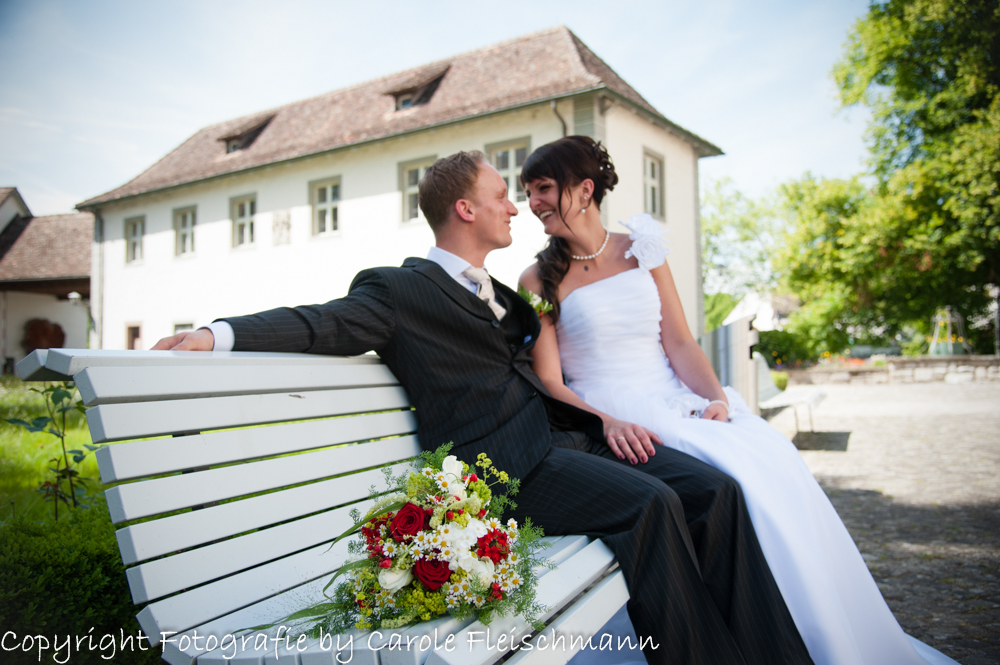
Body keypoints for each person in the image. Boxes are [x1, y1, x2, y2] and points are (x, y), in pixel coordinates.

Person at [153, 150, 813, 665]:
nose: (515, 208)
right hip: (507, 468)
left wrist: (609, 416)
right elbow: (321, 322)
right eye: (502, 196)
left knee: (714, 491)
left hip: (566, 438)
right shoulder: (399, 290)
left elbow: (548, 370)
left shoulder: (506, 295)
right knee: (652, 506)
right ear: (465, 209)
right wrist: (217, 334)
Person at [517, 135, 959, 665]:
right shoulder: (537, 279)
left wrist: (716, 399)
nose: (533, 202)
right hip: (610, 412)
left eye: (543, 188)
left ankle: (813, 623)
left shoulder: (641, 248)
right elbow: (552, 382)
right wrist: (606, 421)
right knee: (726, 484)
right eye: (528, 192)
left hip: (674, 395)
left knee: (773, 460)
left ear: (585, 189)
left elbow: (679, 341)